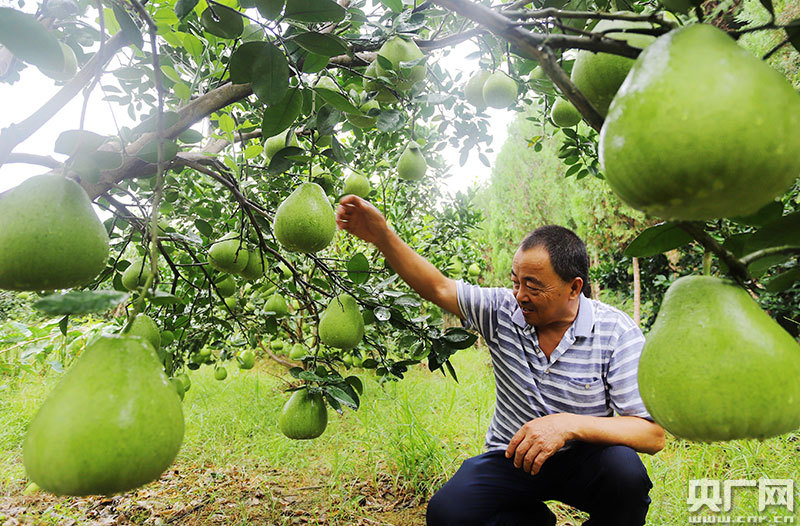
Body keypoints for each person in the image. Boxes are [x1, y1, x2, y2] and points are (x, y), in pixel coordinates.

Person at [335, 195, 665, 526]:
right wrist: (382, 236)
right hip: (513, 458)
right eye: (515, 282)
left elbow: (652, 435)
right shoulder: (502, 311)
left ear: (574, 288)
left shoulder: (615, 332)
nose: (520, 294)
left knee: (625, 474)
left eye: (533, 286)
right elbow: (437, 288)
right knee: (449, 513)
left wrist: (567, 425)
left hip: (584, 460)